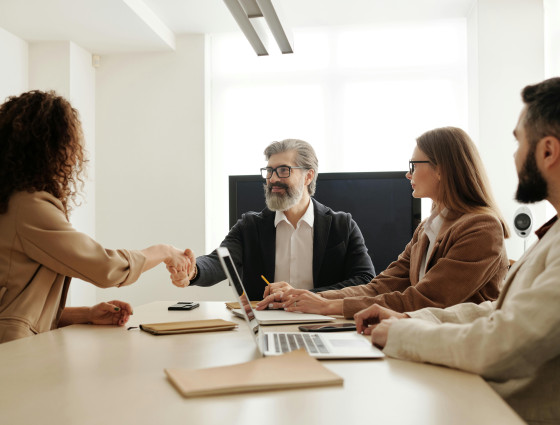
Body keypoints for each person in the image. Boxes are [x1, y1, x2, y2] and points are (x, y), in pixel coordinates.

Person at [353, 77, 560, 425]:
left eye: (518, 143)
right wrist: (409, 320)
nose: (513, 156)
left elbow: (504, 342)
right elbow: (495, 312)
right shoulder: (551, 234)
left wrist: (404, 332)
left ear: (548, 151)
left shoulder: (484, 227)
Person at [0, 90, 194, 344]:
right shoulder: (28, 205)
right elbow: (105, 268)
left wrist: (86, 314)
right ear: (51, 146)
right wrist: (163, 251)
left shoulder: (12, 201)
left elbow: (16, 306)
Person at [258, 127, 510, 318]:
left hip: (458, 353)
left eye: (414, 164)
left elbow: (427, 299)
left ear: (441, 169)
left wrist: (330, 306)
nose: (408, 173)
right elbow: (379, 286)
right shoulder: (427, 229)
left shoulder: (481, 229)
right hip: (421, 339)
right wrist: (311, 297)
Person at [184, 139, 375, 301]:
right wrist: (192, 270)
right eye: (269, 171)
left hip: (323, 321)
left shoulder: (342, 226)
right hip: (265, 322)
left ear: (308, 176)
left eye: (283, 170)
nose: (273, 179)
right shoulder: (249, 227)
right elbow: (217, 263)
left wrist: (304, 296)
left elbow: (365, 279)